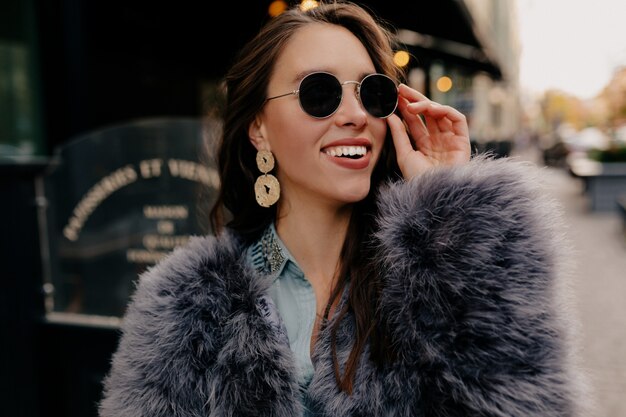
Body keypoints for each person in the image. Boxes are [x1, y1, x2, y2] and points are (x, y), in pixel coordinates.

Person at [99, 1, 589, 416]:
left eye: (372, 92)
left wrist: (452, 210)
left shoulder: (436, 275)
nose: (354, 115)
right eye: (319, 92)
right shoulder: (184, 305)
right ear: (258, 129)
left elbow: (526, 401)